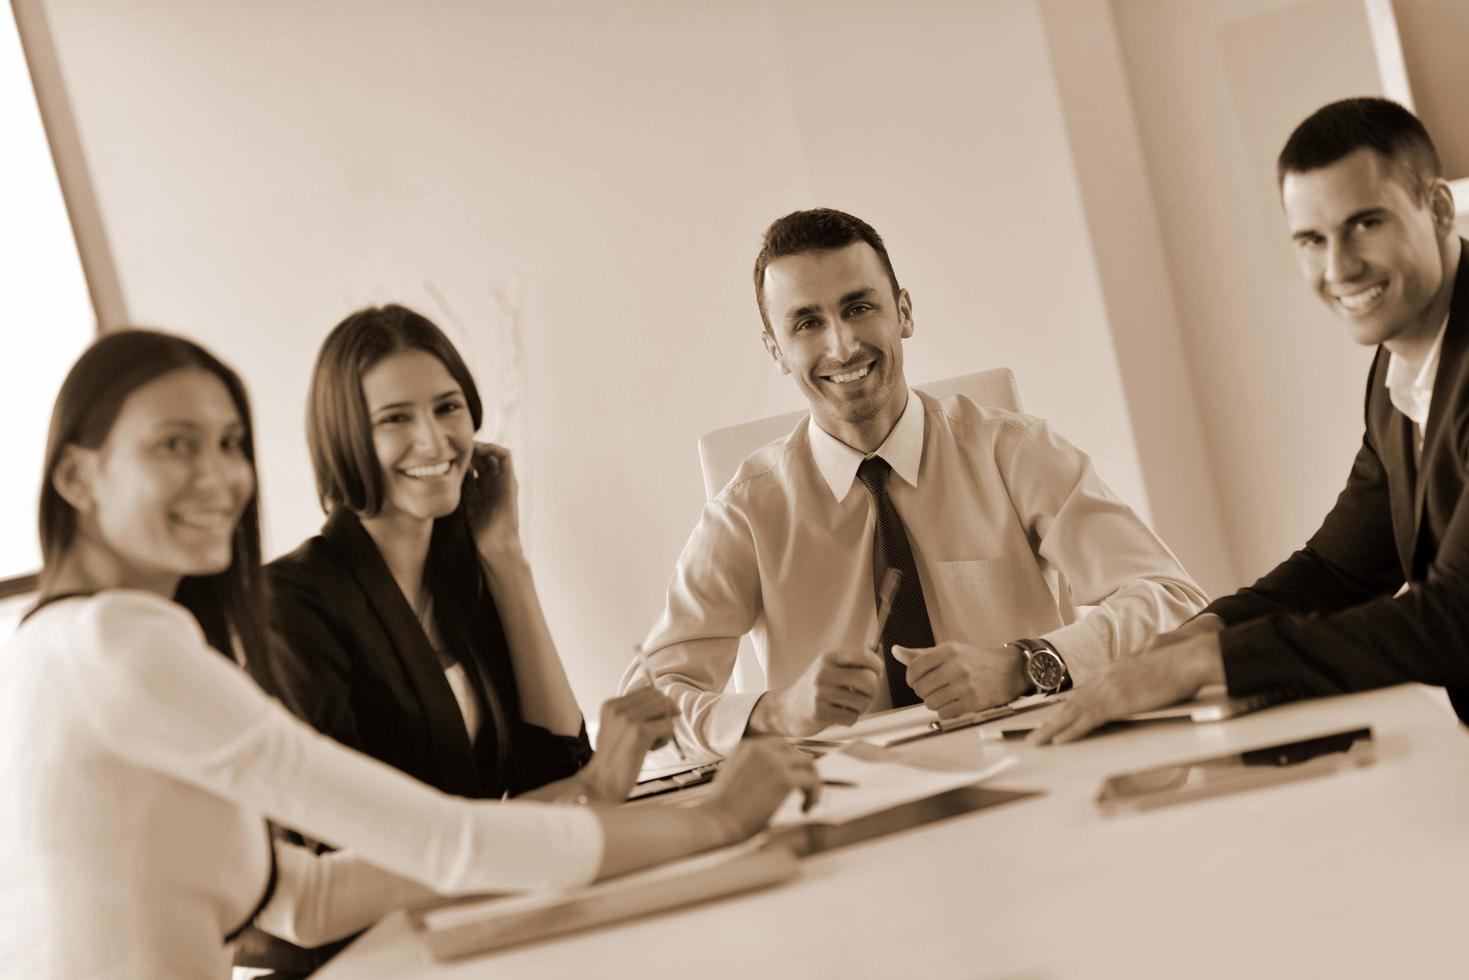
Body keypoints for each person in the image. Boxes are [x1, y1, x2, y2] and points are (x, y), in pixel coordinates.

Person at [0, 328, 818, 979]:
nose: (219, 477)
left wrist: (604, 795)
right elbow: (439, 841)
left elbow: (304, 898)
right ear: (77, 476)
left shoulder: (70, 640)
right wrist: (711, 822)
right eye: (175, 445)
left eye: (228, 444)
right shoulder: (120, 644)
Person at [623, 208, 1208, 755]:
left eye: (858, 308)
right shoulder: (747, 512)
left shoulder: (1014, 451)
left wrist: (1025, 665)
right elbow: (641, 709)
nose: (842, 345)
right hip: (851, 821)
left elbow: (1176, 602)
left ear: (903, 311)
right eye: (807, 322)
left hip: (1034, 766)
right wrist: (775, 712)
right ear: (776, 349)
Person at [238, 304, 677, 972]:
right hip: (371, 958)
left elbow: (558, 771)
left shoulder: (464, 578)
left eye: (448, 408)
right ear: (344, 437)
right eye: (394, 419)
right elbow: (346, 856)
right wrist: (586, 788)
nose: (435, 440)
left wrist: (507, 561)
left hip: (481, 929)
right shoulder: (289, 603)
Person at [1034, 97, 1469, 744]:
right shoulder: (1396, 373)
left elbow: (1454, 621)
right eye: (1311, 240)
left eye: (1365, 224)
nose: (1337, 269)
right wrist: (1190, 637)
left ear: (1435, 208)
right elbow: (1338, 571)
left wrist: (1210, 663)